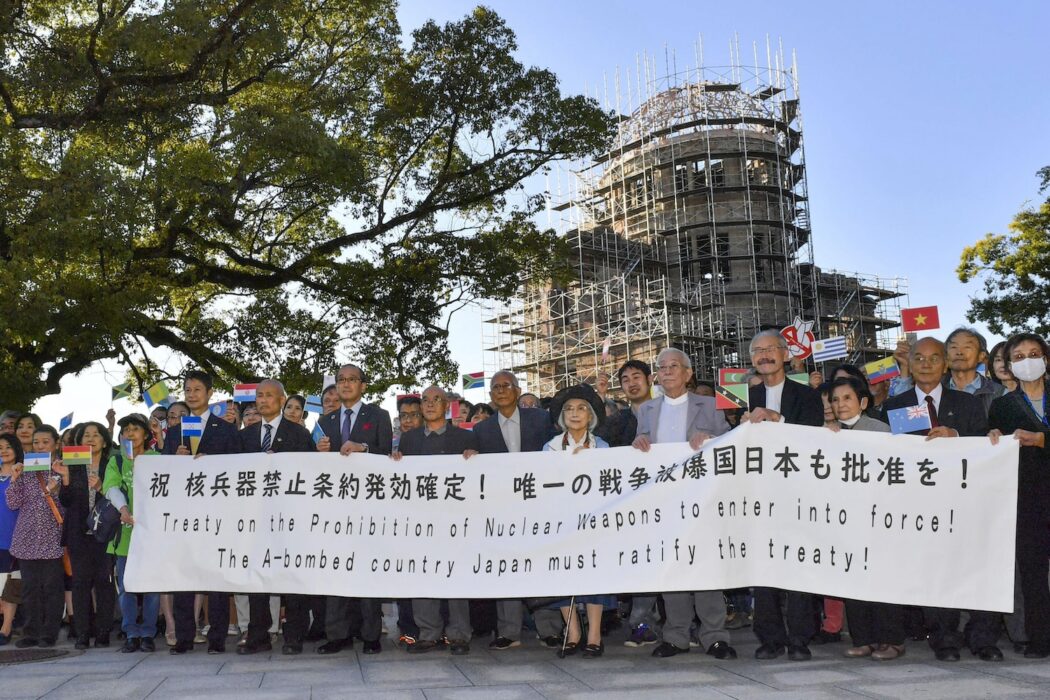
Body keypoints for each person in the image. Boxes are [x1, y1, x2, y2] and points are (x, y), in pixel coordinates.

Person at [881, 337, 1001, 662]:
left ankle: (983, 638)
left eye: (934, 358)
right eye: (919, 358)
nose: (926, 364)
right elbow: (884, 453)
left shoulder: (967, 403)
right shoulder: (895, 405)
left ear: (944, 364)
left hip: (966, 500)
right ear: (911, 363)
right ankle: (944, 638)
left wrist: (955, 436)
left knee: (976, 568)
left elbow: (986, 445)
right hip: (921, 503)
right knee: (936, 569)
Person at [633, 348, 734, 660]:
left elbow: (730, 439)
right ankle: (675, 635)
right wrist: (638, 444)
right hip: (664, 502)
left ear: (688, 373)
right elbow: (640, 449)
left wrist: (710, 438)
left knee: (706, 566)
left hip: (701, 498)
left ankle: (715, 636)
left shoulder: (709, 404)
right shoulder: (647, 410)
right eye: (661, 367)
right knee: (672, 567)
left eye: (673, 366)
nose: (666, 371)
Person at [744, 330, 824, 661]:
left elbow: (814, 435)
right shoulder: (742, 397)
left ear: (785, 353)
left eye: (770, 349)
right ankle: (770, 638)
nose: (764, 355)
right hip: (758, 495)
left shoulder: (805, 395)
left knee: (798, 564)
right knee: (762, 568)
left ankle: (800, 638)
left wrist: (778, 420)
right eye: (757, 351)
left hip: (798, 493)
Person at [823, 378, 906, 660]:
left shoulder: (881, 430)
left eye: (847, 398)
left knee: (884, 579)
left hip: (880, 515)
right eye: (835, 400)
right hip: (845, 519)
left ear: (863, 402)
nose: (840, 404)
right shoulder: (824, 433)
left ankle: (892, 640)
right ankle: (865, 639)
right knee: (854, 578)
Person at [473, 370, 556, 650]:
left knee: (541, 565)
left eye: (505, 386)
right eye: (495, 387)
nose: (500, 391)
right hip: (502, 510)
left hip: (539, 506)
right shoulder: (481, 430)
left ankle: (550, 629)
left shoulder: (541, 419)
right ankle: (509, 631)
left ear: (518, 391)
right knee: (504, 567)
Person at [393, 386, 478, 655]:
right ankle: (428, 633)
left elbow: (480, 478)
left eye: (436, 400)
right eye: (426, 400)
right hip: (420, 520)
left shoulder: (465, 438)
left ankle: (459, 635)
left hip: (455, 521)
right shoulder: (409, 439)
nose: (430, 405)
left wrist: (476, 460)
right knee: (423, 573)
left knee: (455, 575)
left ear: (447, 405)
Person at [315, 364, 391, 655]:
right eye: (341, 380)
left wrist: (363, 448)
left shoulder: (379, 415)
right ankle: (338, 634)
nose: (345, 385)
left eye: (352, 380)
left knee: (366, 570)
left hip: (368, 507)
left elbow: (388, 455)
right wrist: (319, 453)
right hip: (335, 510)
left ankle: (371, 635)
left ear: (363, 385)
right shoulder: (327, 420)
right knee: (336, 571)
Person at [165, 370, 243, 655]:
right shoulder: (174, 432)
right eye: (187, 389)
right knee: (184, 576)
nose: (192, 394)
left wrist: (212, 464)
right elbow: (164, 475)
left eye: (197, 389)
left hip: (217, 516)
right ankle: (184, 637)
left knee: (216, 578)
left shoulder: (225, 429)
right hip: (184, 517)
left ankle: (218, 638)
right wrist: (176, 461)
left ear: (210, 394)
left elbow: (237, 470)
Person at [237, 380, 317, 655]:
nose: (263, 400)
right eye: (259, 396)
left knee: (292, 576)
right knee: (256, 576)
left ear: (282, 400)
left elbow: (310, 474)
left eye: (269, 395)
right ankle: (258, 634)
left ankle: (294, 635)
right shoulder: (245, 436)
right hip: (255, 519)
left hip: (291, 519)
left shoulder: (298, 433)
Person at [988, 333, 1050, 659]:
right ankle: (1040, 638)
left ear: (1046, 358)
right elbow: (991, 447)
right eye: (1020, 356)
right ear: (1010, 365)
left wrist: (1041, 440)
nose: (1028, 361)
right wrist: (992, 437)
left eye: (1034, 353)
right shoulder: (1002, 405)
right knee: (1034, 574)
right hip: (1027, 501)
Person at [544, 384, 615, 658]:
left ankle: (594, 635)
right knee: (563, 575)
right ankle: (573, 633)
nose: (575, 413)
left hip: (594, 522)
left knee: (594, 575)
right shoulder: (549, 448)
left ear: (591, 416)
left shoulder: (604, 447)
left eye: (582, 408)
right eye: (569, 409)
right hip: (560, 522)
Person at [103, 413, 160, 653]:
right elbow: (111, 487)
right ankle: (130, 633)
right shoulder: (116, 461)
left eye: (135, 429)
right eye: (125, 429)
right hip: (124, 534)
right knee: (126, 586)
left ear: (146, 434)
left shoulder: (157, 459)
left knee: (152, 587)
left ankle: (148, 632)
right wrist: (123, 509)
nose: (130, 433)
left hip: (153, 534)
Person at [55, 423, 115, 649]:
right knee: (80, 583)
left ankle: (103, 632)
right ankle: (82, 633)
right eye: (86, 435)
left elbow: (119, 498)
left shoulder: (112, 464)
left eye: (96, 434)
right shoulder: (74, 464)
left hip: (106, 533)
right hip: (78, 534)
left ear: (105, 440)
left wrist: (100, 487)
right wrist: (66, 478)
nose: (91, 438)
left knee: (104, 583)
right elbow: (66, 501)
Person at [5, 429, 65, 649]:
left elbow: (68, 506)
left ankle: (49, 633)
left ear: (56, 444)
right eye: (36, 442)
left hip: (52, 538)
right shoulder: (26, 470)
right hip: (26, 537)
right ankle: (31, 632)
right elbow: (13, 503)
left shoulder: (62, 470)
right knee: (29, 588)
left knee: (52, 588)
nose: (40, 446)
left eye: (45, 442)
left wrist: (56, 489)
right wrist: (15, 479)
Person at [892, 328, 1006, 415]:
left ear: (981, 356)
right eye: (954, 347)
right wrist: (905, 366)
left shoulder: (999, 393)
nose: (959, 352)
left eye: (967, 347)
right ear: (945, 355)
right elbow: (902, 410)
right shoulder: (931, 389)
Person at [0, 434, 23, 646]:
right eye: (0, 447)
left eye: (8, 447)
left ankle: (6, 628)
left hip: (15, 538)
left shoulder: (24, 474)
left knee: (10, 585)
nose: (4, 450)